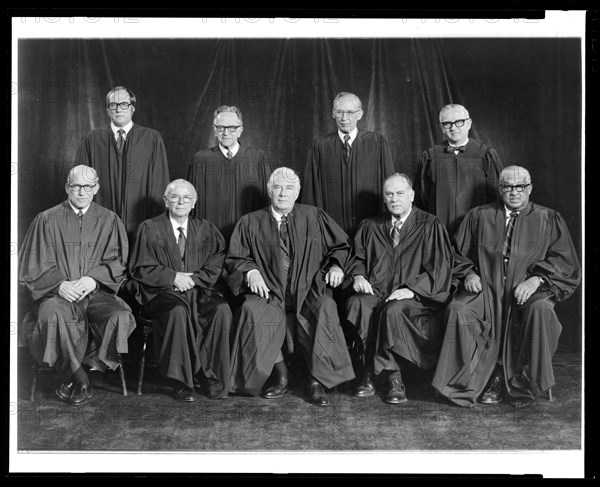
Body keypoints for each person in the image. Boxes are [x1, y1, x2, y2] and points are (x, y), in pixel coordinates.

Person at [432, 165, 581, 408]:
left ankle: (524, 383)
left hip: (526, 289)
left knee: (541, 310)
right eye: (508, 187)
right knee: (458, 309)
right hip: (486, 287)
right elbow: (455, 253)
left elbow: (564, 261)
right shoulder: (479, 215)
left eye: (520, 186)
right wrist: (469, 273)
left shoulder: (548, 218)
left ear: (529, 188)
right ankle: (470, 379)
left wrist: (537, 280)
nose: (514, 192)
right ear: (500, 189)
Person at [226, 167, 354, 406]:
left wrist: (337, 267)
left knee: (325, 307)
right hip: (269, 291)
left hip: (308, 289)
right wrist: (250, 271)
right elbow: (235, 257)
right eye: (277, 188)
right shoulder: (250, 221)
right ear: (269, 191)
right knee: (251, 311)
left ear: (297, 192)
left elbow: (341, 247)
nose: (283, 194)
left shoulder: (315, 216)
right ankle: (280, 374)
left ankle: (316, 380)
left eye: (289, 188)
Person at [19, 165, 136, 406]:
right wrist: (59, 284)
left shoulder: (109, 219)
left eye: (88, 186)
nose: (82, 192)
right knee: (52, 315)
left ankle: (86, 366)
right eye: (76, 186)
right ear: (67, 187)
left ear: (97, 188)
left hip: (95, 292)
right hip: (57, 295)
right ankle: (80, 377)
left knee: (119, 315)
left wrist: (93, 279)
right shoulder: (46, 219)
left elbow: (118, 261)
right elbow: (32, 264)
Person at [345, 173, 454, 404]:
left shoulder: (430, 224)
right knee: (358, 303)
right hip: (378, 291)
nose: (394, 199)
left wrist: (412, 289)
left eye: (400, 193)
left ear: (412, 195)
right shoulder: (370, 225)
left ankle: (392, 378)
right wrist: (358, 275)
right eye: (389, 194)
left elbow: (441, 268)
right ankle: (371, 371)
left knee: (393, 310)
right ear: (384, 198)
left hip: (414, 298)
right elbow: (356, 258)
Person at [128, 179, 232, 402]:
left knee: (221, 309)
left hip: (198, 289)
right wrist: (172, 277)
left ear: (194, 203)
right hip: (160, 292)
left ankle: (211, 377)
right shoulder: (149, 227)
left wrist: (194, 279)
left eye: (187, 198)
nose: (181, 202)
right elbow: (140, 266)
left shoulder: (206, 228)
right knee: (177, 311)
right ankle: (180, 381)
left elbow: (218, 259)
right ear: (166, 201)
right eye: (175, 197)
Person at [75, 86, 170, 237]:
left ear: (133, 108)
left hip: (140, 221)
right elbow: (79, 182)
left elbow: (159, 182)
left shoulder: (151, 139)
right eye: (113, 105)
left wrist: (155, 225)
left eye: (124, 104)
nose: (119, 109)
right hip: (99, 222)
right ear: (107, 110)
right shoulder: (91, 139)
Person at [301, 92, 395, 237]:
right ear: (333, 113)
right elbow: (310, 192)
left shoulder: (377, 143)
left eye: (350, 112)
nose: (344, 118)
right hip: (331, 230)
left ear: (360, 114)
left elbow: (389, 185)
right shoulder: (320, 146)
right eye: (339, 112)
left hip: (371, 228)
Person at [186, 105, 275, 242]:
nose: (226, 133)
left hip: (248, 239)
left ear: (240, 130)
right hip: (209, 239)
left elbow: (267, 201)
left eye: (232, 127)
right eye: (220, 128)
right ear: (214, 130)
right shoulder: (200, 160)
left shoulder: (258, 158)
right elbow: (191, 204)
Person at [414, 103, 503, 236]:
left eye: (459, 122)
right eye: (447, 124)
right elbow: (421, 199)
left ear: (469, 123)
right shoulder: (430, 157)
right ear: (441, 128)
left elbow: (496, 197)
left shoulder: (486, 155)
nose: (453, 128)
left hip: (476, 231)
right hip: (438, 232)